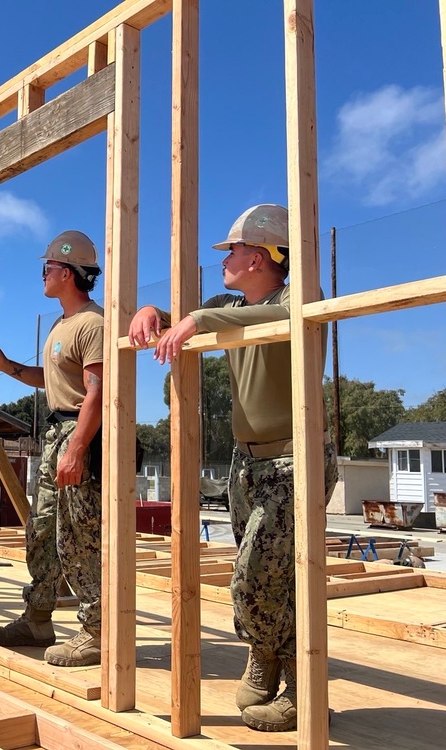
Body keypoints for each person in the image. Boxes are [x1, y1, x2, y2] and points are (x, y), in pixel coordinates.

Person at [128, 204, 338, 732]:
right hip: (249, 464)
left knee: (258, 577)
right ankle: (270, 665)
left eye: (235, 250)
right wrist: (153, 311)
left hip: (297, 457)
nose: (225, 258)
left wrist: (198, 318)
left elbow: (271, 320)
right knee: (268, 576)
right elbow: (194, 322)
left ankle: (296, 686)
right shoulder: (230, 303)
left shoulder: (299, 298)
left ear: (265, 255)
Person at [0, 230, 104, 667]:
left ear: (71, 273)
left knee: (80, 537)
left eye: (50, 266)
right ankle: (37, 618)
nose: (44, 273)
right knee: (43, 531)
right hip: (58, 435)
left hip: (80, 435)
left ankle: (96, 631)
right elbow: (55, 380)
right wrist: (10, 368)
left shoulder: (93, 323)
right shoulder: (60, 325)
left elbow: (96, 391)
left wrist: (77, 449)